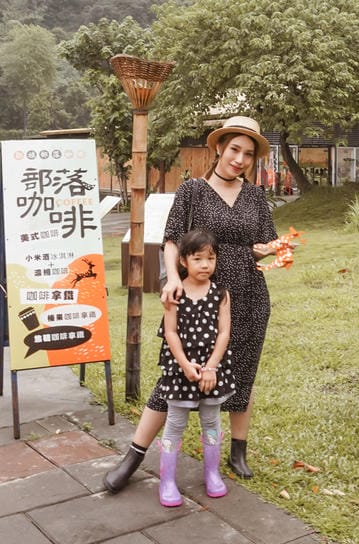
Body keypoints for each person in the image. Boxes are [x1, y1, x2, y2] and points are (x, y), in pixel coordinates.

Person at [104, 115, 283, 493]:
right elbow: (171, 239)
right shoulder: (192, 191)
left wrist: (272, 251)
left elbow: (266, 243)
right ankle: (134, 455)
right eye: (234, 149)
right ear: (218, 147)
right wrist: (171, 279)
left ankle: (238, 450)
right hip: (197, 297)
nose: (240, 159)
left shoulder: (255, 196)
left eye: (248, 154)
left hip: (249, 294)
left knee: (243, 372)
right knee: (176, 374)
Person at [153, 228, 235, 506]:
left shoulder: (221, 293)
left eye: (210, 259)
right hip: (181, 369)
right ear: (183, 262)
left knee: (211, 421)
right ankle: (167, 481)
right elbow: (171, 332)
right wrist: (185, 365)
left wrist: (211, 367)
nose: (205, 265)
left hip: (213, 370)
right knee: (175, 423)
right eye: (198, 259)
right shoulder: (173, 293)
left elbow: (224, 333)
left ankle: (212, 474)